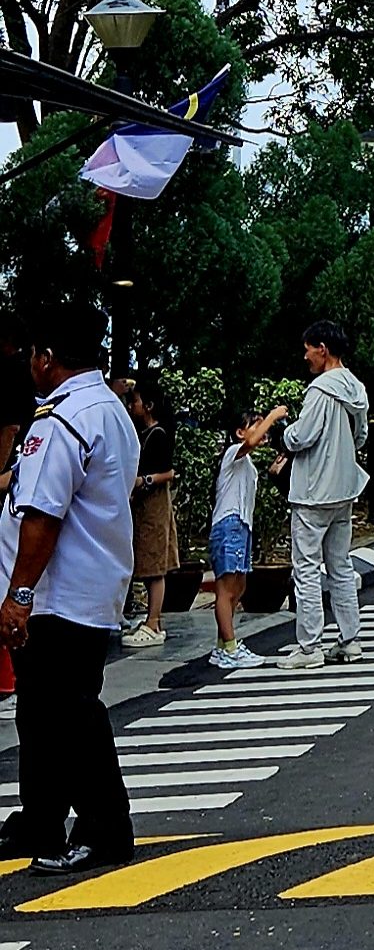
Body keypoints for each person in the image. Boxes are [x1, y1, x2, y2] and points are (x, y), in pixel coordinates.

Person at [0, 310, 139, 873]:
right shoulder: (109, 409)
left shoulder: (62, 419)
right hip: (87, 588)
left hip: (57, 597)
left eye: (33, 354)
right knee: (39, 713)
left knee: (70, 714)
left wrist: (19, 595)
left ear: (48, 357)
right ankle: (41, 818)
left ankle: (106, 829)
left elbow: (42, 515)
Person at [276, 321, 370, 670]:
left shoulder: (320, 390)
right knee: (340, 565)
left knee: (306, 569)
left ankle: (309, 646)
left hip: (313, 491)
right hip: (344, 488)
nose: (306, 357)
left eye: (308, 350)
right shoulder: (356, 388)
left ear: (322, 349)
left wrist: (282, 433)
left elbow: (303, 436)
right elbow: (361, 436)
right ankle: (350, 639)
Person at [207, 406, 287, 669]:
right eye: (256, 423)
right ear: (240, 432)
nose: (262, 429)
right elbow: (251, 442)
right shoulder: (233, 452)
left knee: (238, 586)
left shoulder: (247, 463)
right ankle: (230, 648)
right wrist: (273, 416)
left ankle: (223, 646)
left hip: (241, 526)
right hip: (229, 524)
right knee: (226, 588)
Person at [120, 383, 177, 649]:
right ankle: (151, 621)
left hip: (154, 506)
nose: (133, 406)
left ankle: (153, 622)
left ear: (149, 406)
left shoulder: (158, 434)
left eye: (136, 401)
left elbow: (168, 472)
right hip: (143, 505)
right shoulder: (143, 433)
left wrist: (143, 481)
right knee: (145, 560)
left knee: (154, 565)